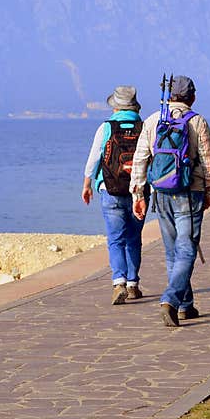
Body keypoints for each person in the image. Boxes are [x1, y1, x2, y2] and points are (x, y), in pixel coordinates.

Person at [130, 75, 210, 327]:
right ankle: (170, 300)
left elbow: (140, 160)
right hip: (190, 193)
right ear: (192, 96)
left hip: (161, 194)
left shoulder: (152, 120)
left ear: (169, 96)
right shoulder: (197, 122)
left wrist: (138, 194)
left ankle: (185, 305)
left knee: (172, 252)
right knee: (187, 249)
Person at [82, 85, 146, 306]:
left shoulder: (106, 127)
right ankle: (133, 284)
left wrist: (87, 183)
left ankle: (118, 281)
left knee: (115, 238)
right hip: (138, 191)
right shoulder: (143, 126)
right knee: (134, 238)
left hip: (110, 190)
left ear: (115, 106)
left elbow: (94, 157)